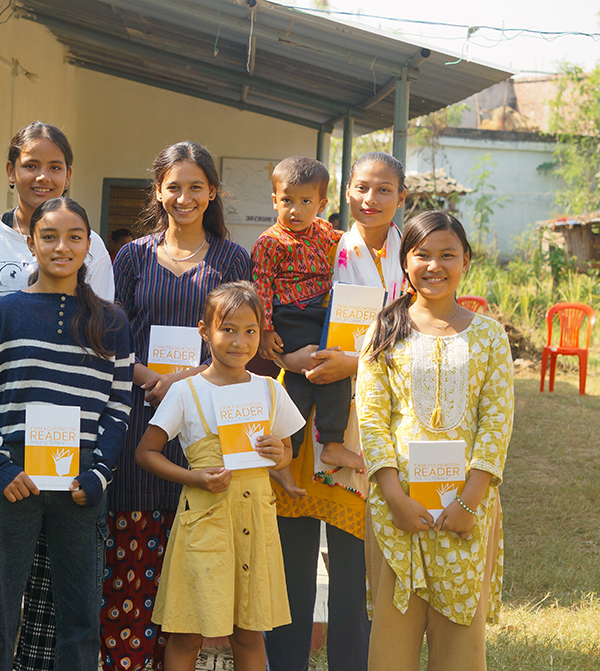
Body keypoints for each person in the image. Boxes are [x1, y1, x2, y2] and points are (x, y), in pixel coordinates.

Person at [0, 121, 114, 671]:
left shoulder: (90, 242)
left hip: (66, 444)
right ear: (11, 171)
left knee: (54, 580)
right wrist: (2, 419)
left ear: (69, 174)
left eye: (55, 165)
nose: (43, 175)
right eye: (31, 164)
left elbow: (100, 335)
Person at [0, 197, 133, 671]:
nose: (63, 247)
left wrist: (100, 472)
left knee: (80, 620)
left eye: (74, 236)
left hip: (82, 482)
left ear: (89, 245)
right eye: (50, 236)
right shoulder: (2, 314)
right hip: (13, 480)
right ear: (30, 241)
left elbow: (119, 407)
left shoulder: (113, 322)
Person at [105, 141, 252, 671]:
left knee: (188, 583)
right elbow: (111, 338)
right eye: (174, 187)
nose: (184, 197)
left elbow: (243, 342)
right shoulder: (133, 256)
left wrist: (194, 382)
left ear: (212, 192)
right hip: (141, 420)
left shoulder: (234, 259)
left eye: (196, 187)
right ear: (158, 191)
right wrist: (155, 379)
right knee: (133, 565)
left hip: (207, 429)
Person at [265, 151, 408, 671]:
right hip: (306, 412)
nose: (371, 200)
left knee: (352, 566)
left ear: (401, 197)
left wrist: (354, 362)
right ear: (345, 193)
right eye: (362, 188)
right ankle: (285, 663)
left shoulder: (409, 254)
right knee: (293, 556)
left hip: (365, 421)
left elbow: (419, 333)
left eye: (384, 190)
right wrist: (285, 355)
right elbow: (277, 311)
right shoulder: (322, 246)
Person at [356, 210, 513, 671]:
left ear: (466, 260)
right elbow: (371, 419)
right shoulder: (384, 331)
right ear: (405, 262)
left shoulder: (488, 334)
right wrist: (393, 497)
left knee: (460, 647)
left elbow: (496, 421)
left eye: (448, 255)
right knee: (391, 646)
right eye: (422, 254)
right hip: (396, 510)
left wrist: (469, 502)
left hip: (465, 509)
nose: (434, 265)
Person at [135, 282, 304, 671]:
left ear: (261, 334)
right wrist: (194, 479)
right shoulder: (185, 391)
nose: (239, 341)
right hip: (206, 521)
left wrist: (280, 454)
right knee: (187, 632)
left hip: (255, 523)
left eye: (250, 331)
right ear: (204, 331)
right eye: (227, 329)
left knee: (248, 632)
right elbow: (146, 452)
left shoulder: (270, 390)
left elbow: (284, 453)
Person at [250, 157, 359, 486]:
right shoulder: (271, 242)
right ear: (274, 201)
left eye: (305, 202)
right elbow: (261, 286)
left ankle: (317, 445)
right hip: (289, 315)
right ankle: (305, 448)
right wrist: (267, 329)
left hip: (321, 311)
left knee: (327, 370)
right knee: (306, 375)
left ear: (322, 204)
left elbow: (349, 244)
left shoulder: (324, 230)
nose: (295, 210)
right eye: (287, 201)